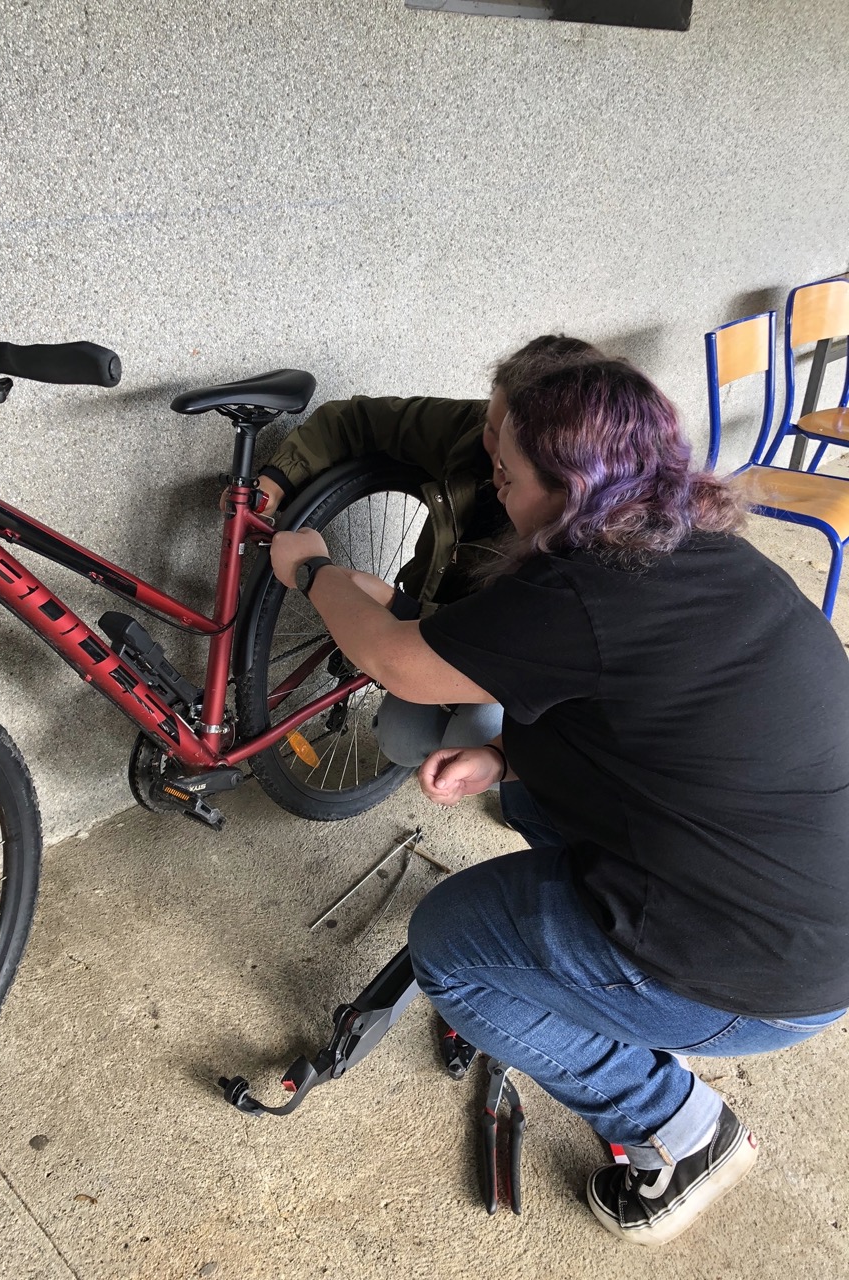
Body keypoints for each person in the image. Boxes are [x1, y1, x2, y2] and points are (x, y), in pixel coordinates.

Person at [269, 357, 849, 1246]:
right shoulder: (694, 548)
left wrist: (313, 569)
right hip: (806, 917)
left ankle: (676, 1127)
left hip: (760, 976)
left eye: (506, 468)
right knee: (532, 810)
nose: (493, 477)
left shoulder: (583, 592)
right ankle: (613, 990)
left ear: (569, 483)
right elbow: (650, 729)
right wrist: (504, 759)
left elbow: (392, 659)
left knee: (451, 950)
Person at [231, 334, 600, 776]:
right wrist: (278, 478)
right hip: (451, 626)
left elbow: (402, 662)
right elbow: (359, 421)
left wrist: (316, 573)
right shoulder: (473, 434)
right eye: (492, 429)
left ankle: (525, 777)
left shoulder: (585, 555)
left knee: (475, 734)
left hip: (513, 654)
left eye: (513, 461)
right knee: (401, 738)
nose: (497, 467)